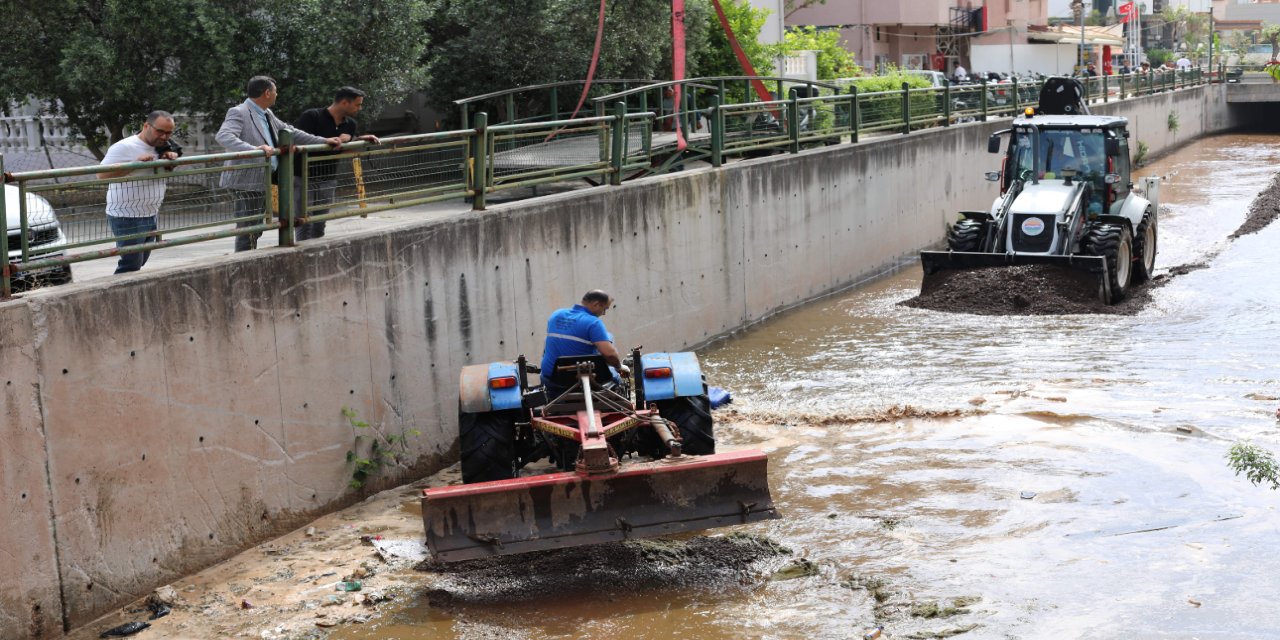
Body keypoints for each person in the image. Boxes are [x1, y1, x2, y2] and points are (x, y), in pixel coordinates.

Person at [215, 76, 340, 252]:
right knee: (248, 227)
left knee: (255, 227)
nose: (276, 94)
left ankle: (247, 259)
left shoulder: (266, 114)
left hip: (263, 178)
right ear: (267, 93)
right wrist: (254, 149)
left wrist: (324, 140)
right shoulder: (239, 111)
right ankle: (243, 263)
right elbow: (224, 136)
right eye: (275, 91)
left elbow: (291, 132)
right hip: (245, 181)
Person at [97, 111, 182, 274]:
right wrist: (134, 165)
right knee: (131, 264)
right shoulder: (124, 146)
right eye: (160, 131)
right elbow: (101, 175)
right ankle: (117, 294)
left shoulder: (163, 146)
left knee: (139, 262)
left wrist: (171, 157)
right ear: (146, 126)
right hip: (126, 215)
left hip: (151, 213)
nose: (165, 137)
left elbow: (168, 165)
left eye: (169, 133)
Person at [291, 87, 380, 241]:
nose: (360, 108)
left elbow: (344, 152)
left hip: (328, 178)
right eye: (358, 105)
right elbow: (299, 142)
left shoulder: (351, 124)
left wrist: (358, 141)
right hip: (303, 177)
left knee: (319, 225)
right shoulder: (312, 116)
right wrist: (335, 140)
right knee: (303, 223)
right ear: (345, 102)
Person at [540, 290, 629, 399]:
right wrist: (619, 367)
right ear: (596, 304)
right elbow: (610, 355)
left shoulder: (556, 315)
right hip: (584, 382)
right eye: (604, 309)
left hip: (552, 380)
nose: (604, 313)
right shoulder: (593, 323)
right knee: (609, 343)